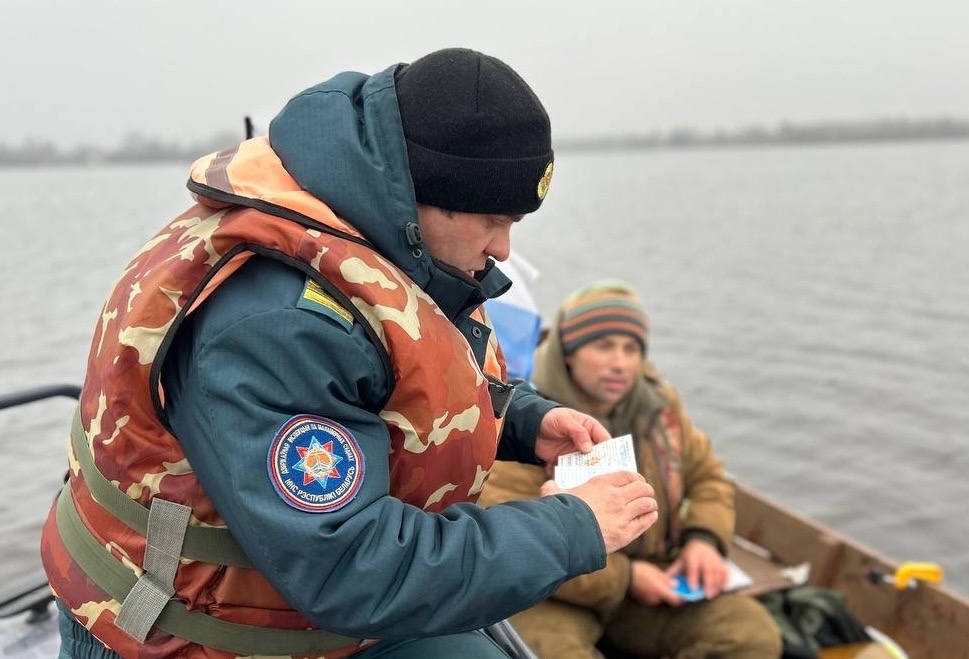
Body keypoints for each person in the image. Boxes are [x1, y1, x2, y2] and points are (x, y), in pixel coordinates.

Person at [40, 49, 659, 659]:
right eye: (492, 220)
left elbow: (409, 373)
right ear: (421, 195)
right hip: (191, 637)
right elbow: (349, 566)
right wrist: (574, 527)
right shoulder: (277, 325)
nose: (503, 248)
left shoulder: (391, 242)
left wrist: (524, 420)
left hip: (311, 605)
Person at [480, 280, 783, 659]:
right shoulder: (529, 421)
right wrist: (626, 578)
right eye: (604, 346)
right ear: (568, 351)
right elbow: (518, 543)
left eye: (631, 348)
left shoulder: (659, 406)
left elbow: (707, 477)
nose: (620, 363)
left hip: (653, 576)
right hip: (556, 590)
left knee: (749, 634)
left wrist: (704, 539)